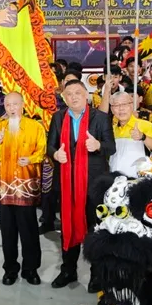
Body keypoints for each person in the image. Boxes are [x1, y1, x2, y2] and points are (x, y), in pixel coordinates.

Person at [46, 79, 115, 291]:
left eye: (78, 92)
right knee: (68, 225)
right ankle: (68, 269)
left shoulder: (101, 118)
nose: (74, 97)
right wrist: (55, 154)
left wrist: (97, 146)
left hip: (93, 184)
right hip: (67, 183)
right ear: (64, 98)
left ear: (86, 94)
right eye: (69, 94)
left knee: (94, 228)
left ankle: (96, 274)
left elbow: (111, 147)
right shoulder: (58, 118)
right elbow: (50, 146)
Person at [0, 92, 46, 286]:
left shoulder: (34, 127)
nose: (11, 108)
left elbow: (42, 151)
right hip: (5, 189)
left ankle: (31, 269)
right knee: (8, 233)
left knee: (29, 231)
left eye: (15, 104)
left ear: (22, 105)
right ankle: (10, 269)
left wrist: (30, 159)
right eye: (8, 104)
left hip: (26, 188)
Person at [104, 91, 152, 175]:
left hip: (137, 179)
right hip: (114, 179)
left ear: (131, 105)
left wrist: (142, 137)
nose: (121, 108)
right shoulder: (111, 130)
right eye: (116, 105)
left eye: (124, 104)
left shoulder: (145, 125)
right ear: (112, 109)